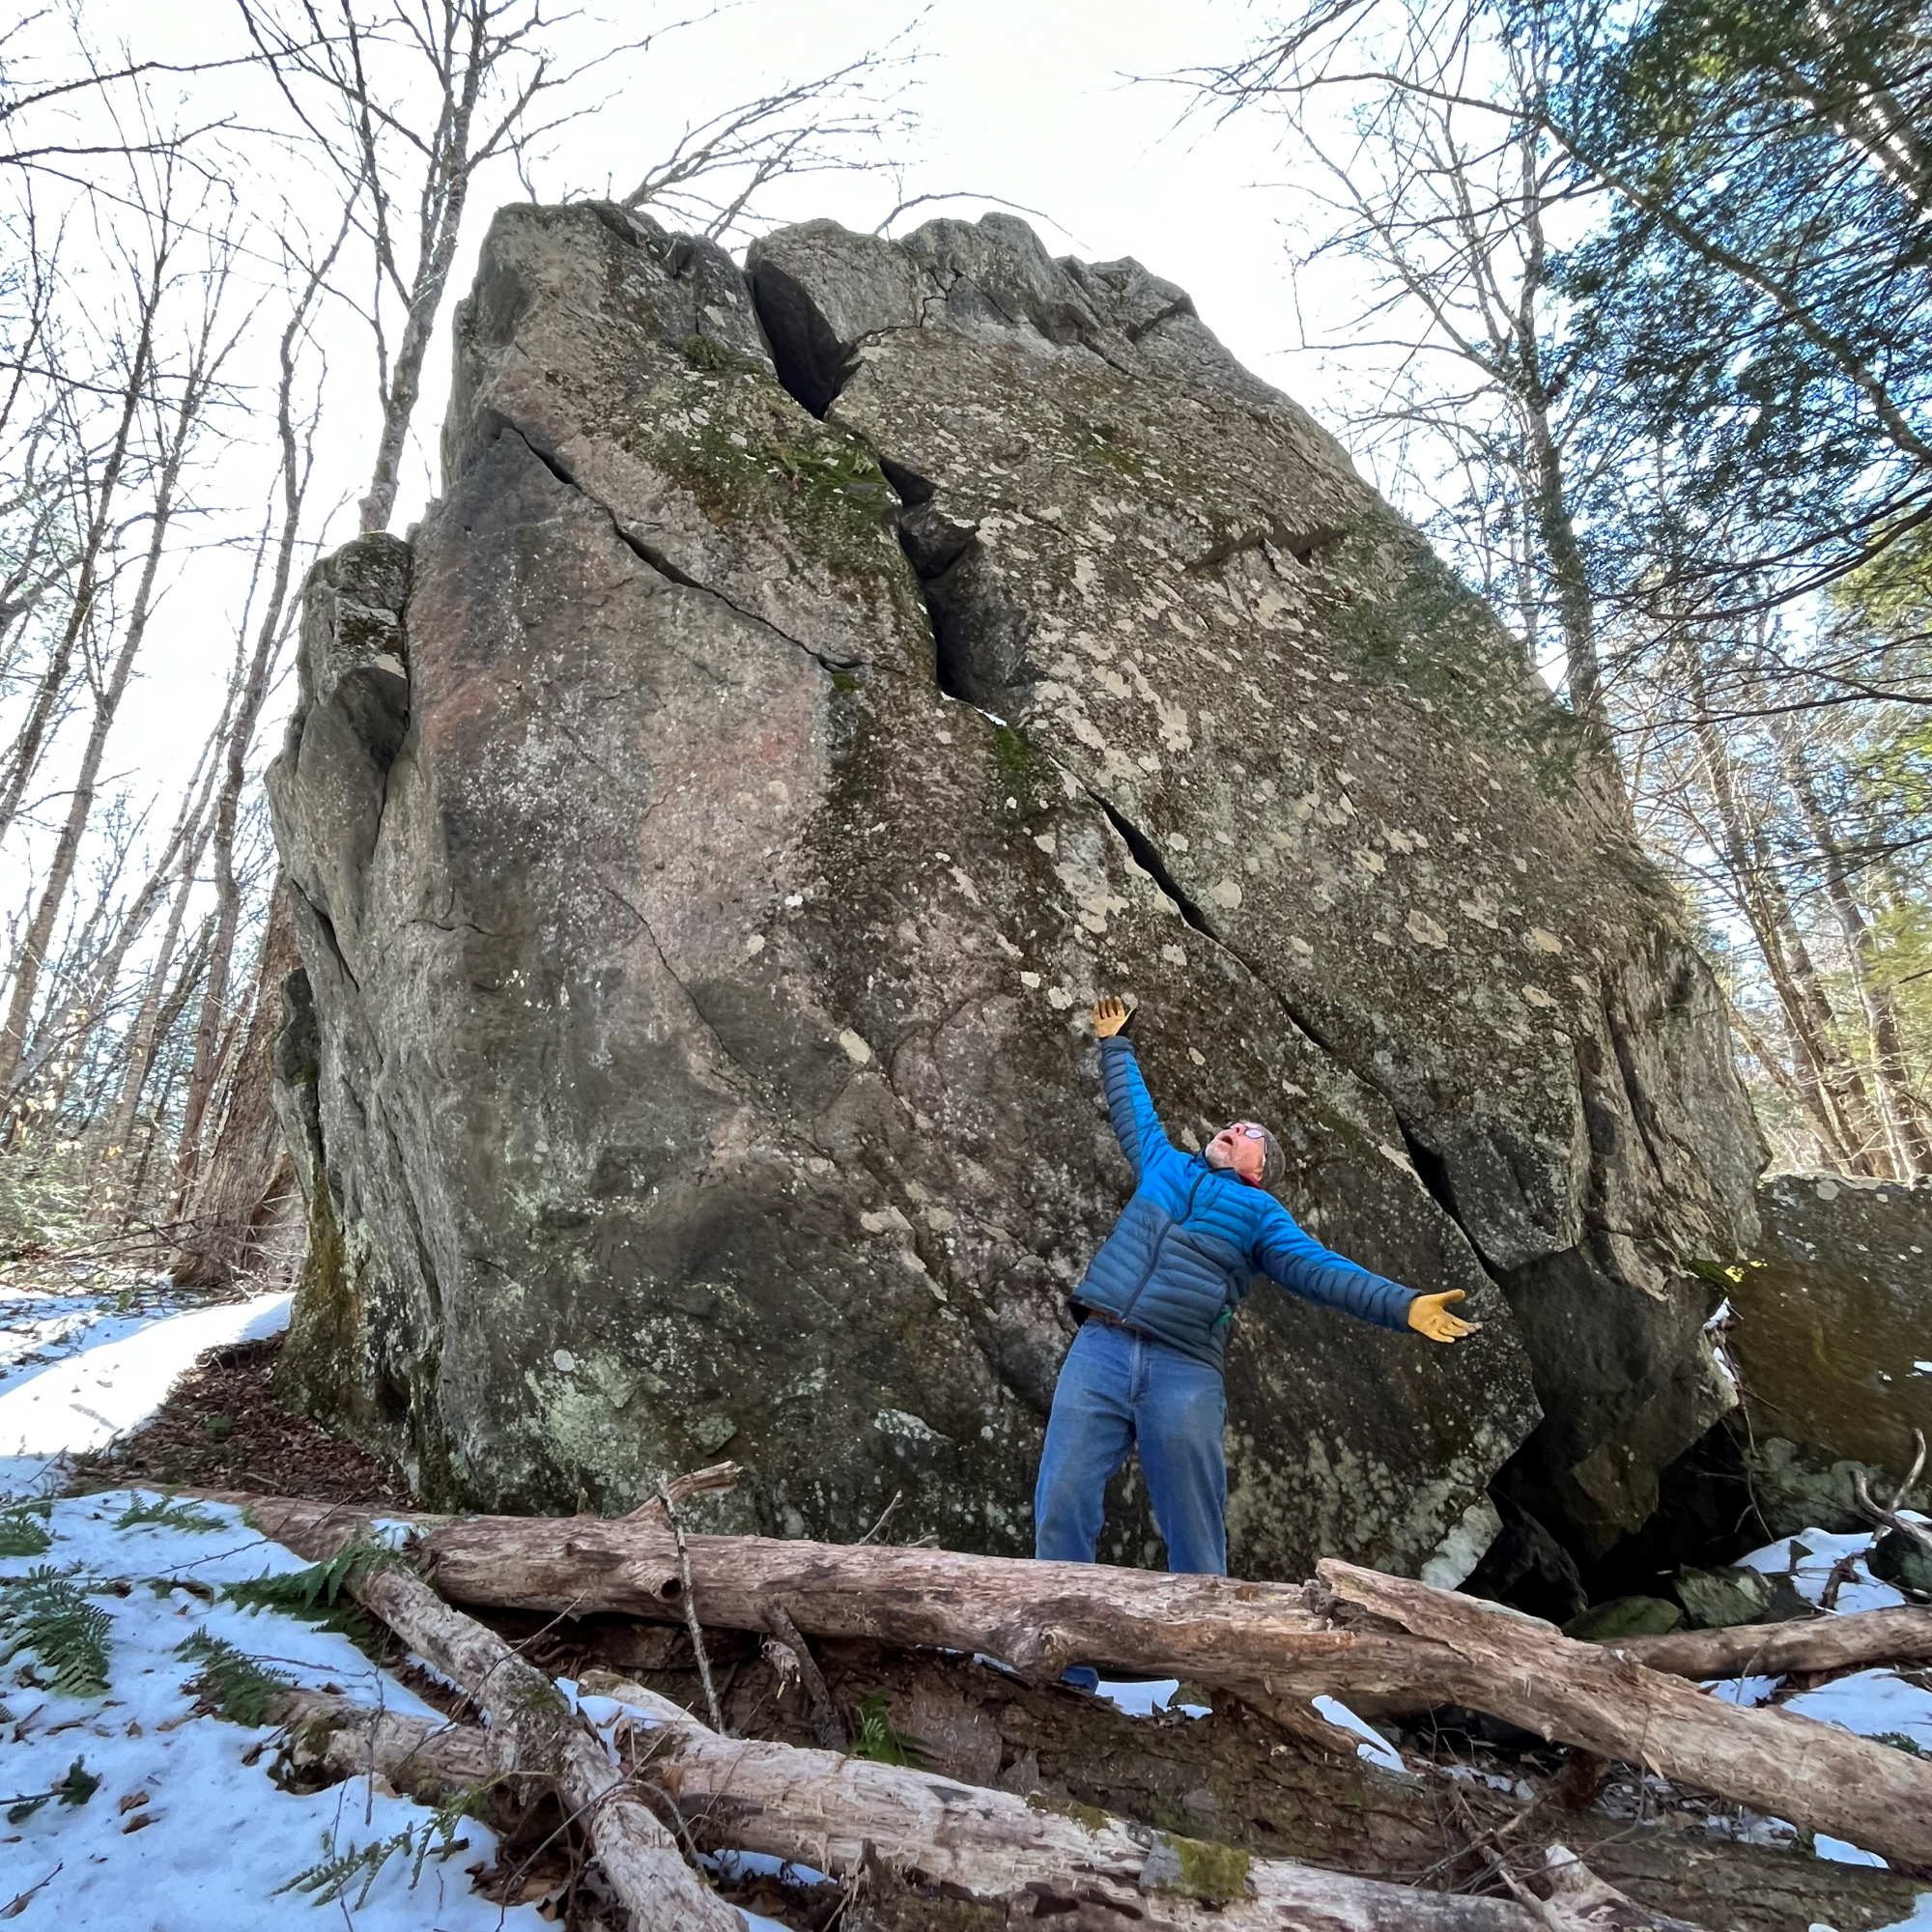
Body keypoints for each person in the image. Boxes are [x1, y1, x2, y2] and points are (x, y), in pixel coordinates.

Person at [1034, 995, 1479, 1583]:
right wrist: (1115, 1044)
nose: (1236, 1127)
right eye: (1235, 1124)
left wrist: (1404, 1305)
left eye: (1251, 1133)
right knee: (1061, 1502)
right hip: (1100, 1347)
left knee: (1193, 1532)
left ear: (1259, 1169)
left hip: (1183, 1372)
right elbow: (1132, 1110)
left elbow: (1322, 1271)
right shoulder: (1164, 1165)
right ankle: (1065, 1666)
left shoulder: (1262, 1213)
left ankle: (1207, 1666)